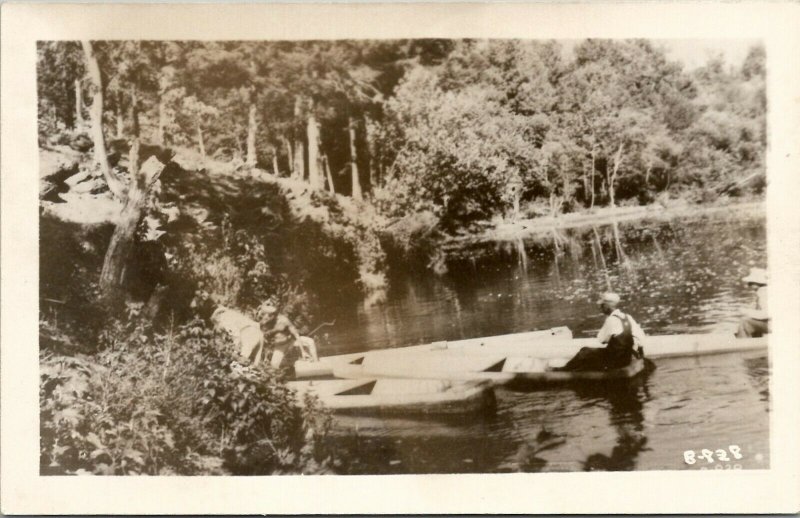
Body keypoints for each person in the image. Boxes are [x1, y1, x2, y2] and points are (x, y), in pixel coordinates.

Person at [557, 292, 646, 372]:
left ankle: (564, 370)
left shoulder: (611, 320)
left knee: (585, 351)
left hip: (614, 361)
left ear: (607, 306)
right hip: (626, 358)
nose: (600, 308)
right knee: (592, 352)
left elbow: (601, 340)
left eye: (602, 305)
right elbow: (641, 339)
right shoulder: (628, 317)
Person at [257, 301, 319, 368]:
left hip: (291, 341)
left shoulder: (284, 320)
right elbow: (263, 336)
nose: (267, 317)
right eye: (267, 314)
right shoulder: (264, 321)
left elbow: (296, 335)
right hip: (279, 347)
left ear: (275, 314)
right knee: (274, 365)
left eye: (270, 315)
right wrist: (275, 330)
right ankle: (290, 364)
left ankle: (316, 364)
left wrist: (303, 351)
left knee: (310, 341)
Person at [736, 267, 769, 338]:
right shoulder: (765, 291)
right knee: (751, 319)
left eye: (750, 283)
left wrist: (746, 311)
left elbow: (766, 314)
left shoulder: (764, 293)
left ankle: (742, 345)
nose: (748, 285)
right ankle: (753, 341)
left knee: (744, 321)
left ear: (757, 283)